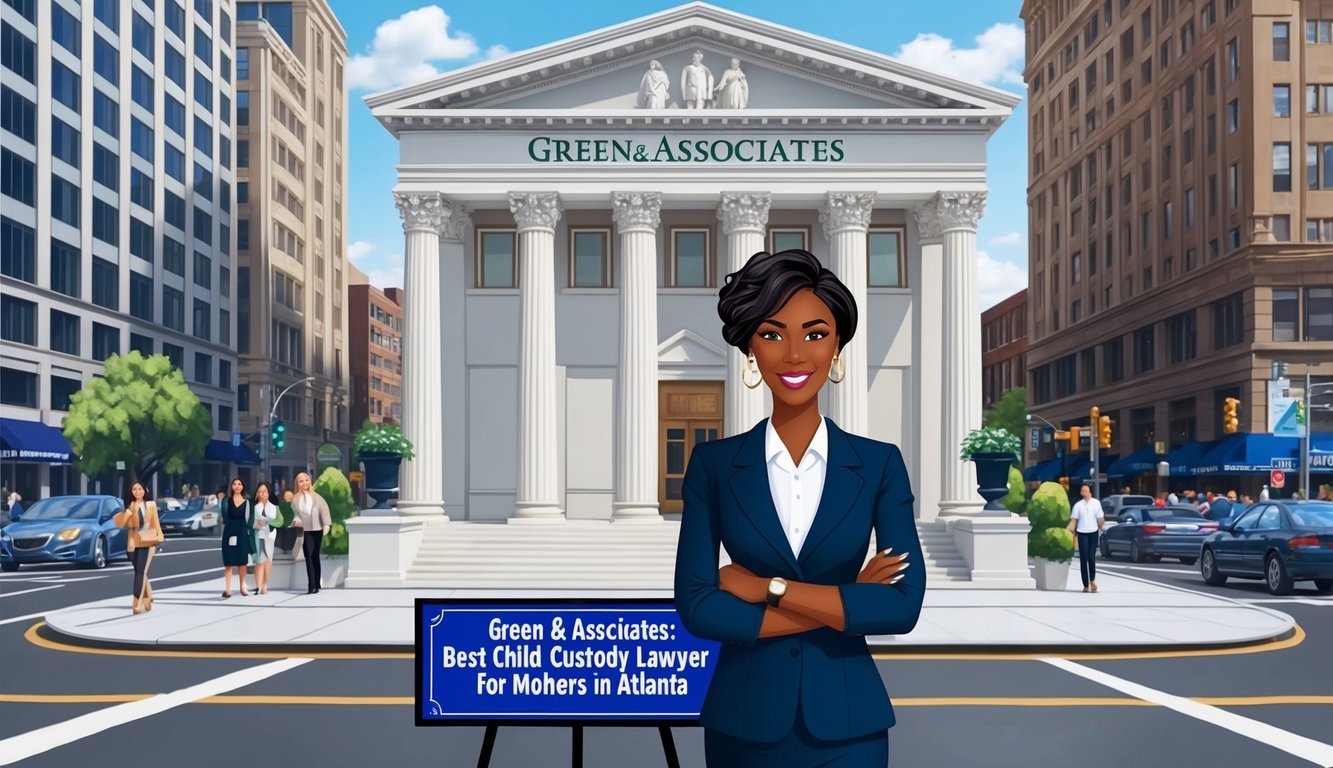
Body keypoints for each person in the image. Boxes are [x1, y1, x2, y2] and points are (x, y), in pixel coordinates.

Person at [674, 248, 920, 766]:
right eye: (771, 334)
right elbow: (697, 605)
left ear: (837, 349)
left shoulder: (878, 465)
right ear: (749, 351)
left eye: (814, 334)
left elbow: (900, 606)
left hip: (851, 725)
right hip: (744, 721)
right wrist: (847, 602)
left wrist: (769, 589)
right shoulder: (714, 466)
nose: (793, 355)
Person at [113, 482, 161, 613]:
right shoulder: (130, 506)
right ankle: (147, 597)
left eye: (140, 489)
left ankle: (136, 603)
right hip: (132, 543)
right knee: (141, 572)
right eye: (134, 489)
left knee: (140, 572)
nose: (137, 492)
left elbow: (156, 523)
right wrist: (128, 512)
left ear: (145, 490)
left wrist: (160, 537)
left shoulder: (151, 505)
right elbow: (122, 524)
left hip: (147, 541)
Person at [290, 471, 332, 594]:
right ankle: (311, 585)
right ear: (297, 483)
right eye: (301, 481)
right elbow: (296, 514)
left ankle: (317, 583)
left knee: (315, 556)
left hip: (317, 529)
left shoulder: (317, 497)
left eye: (306, 480)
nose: (304, 483)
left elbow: (324, 510)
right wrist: (296, 520)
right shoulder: (295, 499)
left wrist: (326, 524)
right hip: (306, 531)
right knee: (308, 556)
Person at [219, 477, 254, 598]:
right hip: (229, 532)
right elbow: (225, 515)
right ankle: (228, 589)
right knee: (228, 562)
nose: (237, 486)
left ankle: (242, 586)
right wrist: (232, 526)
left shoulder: (248, 501)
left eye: (240, 484)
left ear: (243, 486)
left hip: (242, 533)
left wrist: (246, 528)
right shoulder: (226, 500)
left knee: (242, 561)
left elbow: (250, 518)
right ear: (231, 486)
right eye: (234, 484)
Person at [1067, 483, 1104, 593]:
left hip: (1093, 532)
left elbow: (1100, 518)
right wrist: (1070, 532)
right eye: (1082, 491)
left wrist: (1102, 527)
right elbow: (1074, 521)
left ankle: (1092, 580)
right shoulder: (1078, 505)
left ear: (1090, 492)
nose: (1084, 492)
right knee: (1083, 558)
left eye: (1086, 491)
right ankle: (1085, 585)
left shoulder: (1096, 503)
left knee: (1091, 557)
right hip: (1082, 533)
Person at [249, 481, 279, 595]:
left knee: (268, 559)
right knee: (259, 560)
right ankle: (258, 586)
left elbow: (278, 521)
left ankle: (265, 583)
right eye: (260, 491)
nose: (262, 494)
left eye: (264, 491)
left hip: (270, 535)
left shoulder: (273, 506)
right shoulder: (253, 506)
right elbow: (249, 521)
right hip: (258, 535)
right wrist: (255, 524)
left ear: (268, 493)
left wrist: (268, 522)